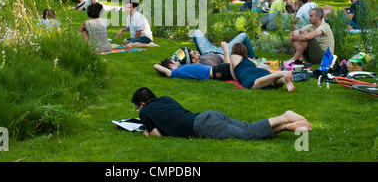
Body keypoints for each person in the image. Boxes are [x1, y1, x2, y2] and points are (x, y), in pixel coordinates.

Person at [131, 87, 311, 139]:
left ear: (141, 103)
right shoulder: (166, 98)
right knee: (248, 129)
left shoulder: (145, 111)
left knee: (247, 134)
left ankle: (284, 116)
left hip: (201, 126)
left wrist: (148, 132)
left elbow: (157, 136)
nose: (139, 110)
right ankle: (287, 126)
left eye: (138, 107)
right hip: (207, 115)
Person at [154, 41, 234, 82]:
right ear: (170, 65)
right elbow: (155, 66)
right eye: (175, 62)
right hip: (218, 72)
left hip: (218, 70)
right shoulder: (176, 72)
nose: (178, 62)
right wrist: (225, 51)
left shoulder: (181, 68)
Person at [230, 43, 295, 91]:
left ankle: (279, 74)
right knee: (270, 83)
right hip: (258, 70)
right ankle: (283, 80)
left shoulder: (234, 56)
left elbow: (233, 76)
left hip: (245, 73)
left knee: (252, 84)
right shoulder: (249, 59)